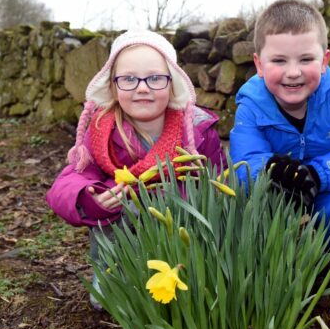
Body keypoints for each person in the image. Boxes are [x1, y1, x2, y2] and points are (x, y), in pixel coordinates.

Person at [47, 30, 225, 309]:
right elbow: (69, 180)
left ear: (172, 84)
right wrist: (88, 198)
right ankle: (113, 274)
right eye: (129, 79)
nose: (142, 88)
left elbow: (219, 185)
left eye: (154, 78)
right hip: (123, 240)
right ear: (114, 86)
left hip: (183, 239)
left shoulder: (197, 132)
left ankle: (192, 274)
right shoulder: (100, 130)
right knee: (123, 205)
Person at [230, 0, 330, 282]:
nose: (293, 72)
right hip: (277, 200)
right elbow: (245, 163)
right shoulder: (251, 106)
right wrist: (275, 172)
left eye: (306, 59)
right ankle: (277, 264)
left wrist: (317, 173)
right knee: (248, 209)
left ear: (325, 60)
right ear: (259, 64)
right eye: (279, 60)